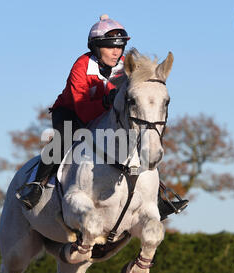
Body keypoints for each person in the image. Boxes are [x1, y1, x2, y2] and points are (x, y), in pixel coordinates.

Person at [19, 14, 187, 219]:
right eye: (110, 47)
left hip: (108, 116)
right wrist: (107, 102)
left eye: (119, 47)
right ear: (96, 48)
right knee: (63, 138)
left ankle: (158, 197)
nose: (116, 52)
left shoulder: (128, 67)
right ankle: (37, 184)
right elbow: (82, 109)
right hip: (71, 112)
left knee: (140, 141)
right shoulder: (81, 66)